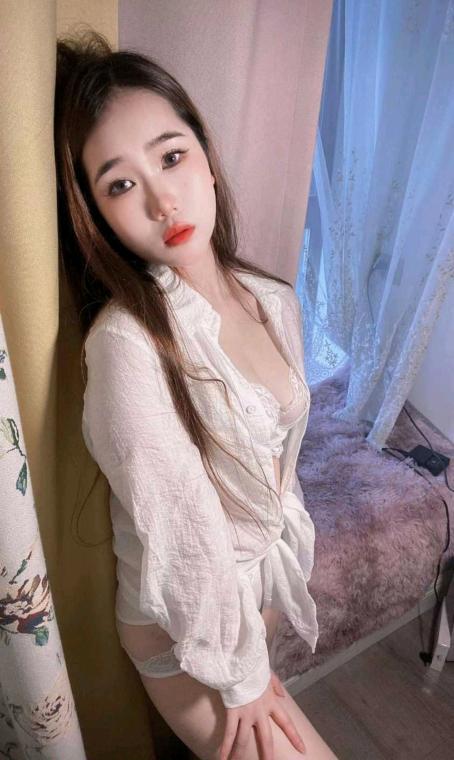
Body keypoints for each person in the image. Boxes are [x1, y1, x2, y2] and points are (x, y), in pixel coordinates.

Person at [54, 28, 338, 760]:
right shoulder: (126, 346)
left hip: (252, 596)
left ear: (208, 159)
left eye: (172, 157)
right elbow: (180, 532)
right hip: (182, 630)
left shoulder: (272, 299)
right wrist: (243, 677)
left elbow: (279, 458)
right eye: (120, 185)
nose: (161, 199)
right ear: (97, 214)